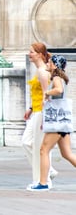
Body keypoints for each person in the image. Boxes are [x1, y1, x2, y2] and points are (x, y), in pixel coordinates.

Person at [30, 55, 76, 191]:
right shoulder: (59, 77)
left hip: (56, 122)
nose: (47, 64)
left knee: (44, 150)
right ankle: (43, 182)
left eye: (49, 62)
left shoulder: (56, 78)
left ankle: (43, 183)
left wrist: (46, 93)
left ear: (55, 65)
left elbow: (59, 90)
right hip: (62, 121)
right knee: (66, 154)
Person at [22, 43, 57, 188]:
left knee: (40, 147)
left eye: (32, 52)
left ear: (40, 54)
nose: (29, 54)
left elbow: (46, 95)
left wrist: (44, 116)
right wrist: (30, 107)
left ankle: (43, 180)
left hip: (41, 113)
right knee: (26, 142)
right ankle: (48, 171)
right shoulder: (38, 70)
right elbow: (39, 94)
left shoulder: (43, 72)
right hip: (36, 111)